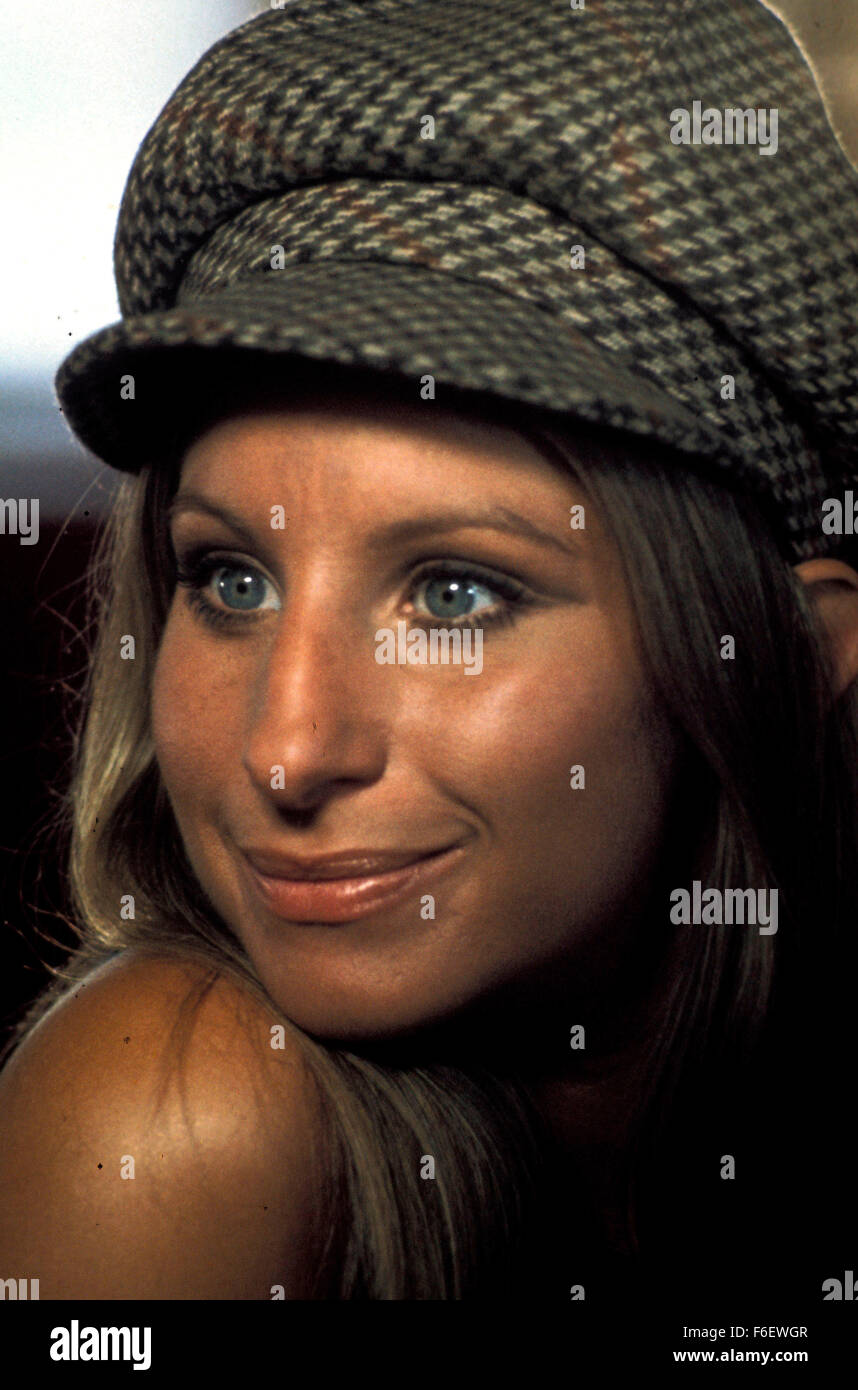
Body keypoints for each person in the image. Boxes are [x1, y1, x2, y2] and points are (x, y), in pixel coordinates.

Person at [1, 0, 857, 1305]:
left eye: (454, 594)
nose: (288, 750)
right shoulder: (179, 1121)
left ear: (790, 653)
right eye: (230, 579)